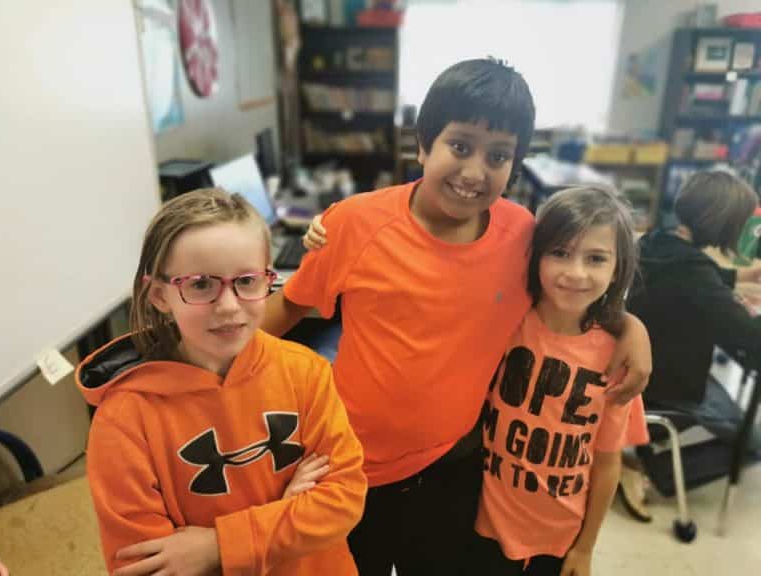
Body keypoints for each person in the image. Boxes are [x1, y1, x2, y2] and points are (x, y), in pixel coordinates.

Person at [262, 58, 651, 576]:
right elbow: (287, 307)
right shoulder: (354, 223)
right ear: (423, 145)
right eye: (460, 146)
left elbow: (570, 290)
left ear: (515, 165)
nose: (474, 172)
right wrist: (214, 370)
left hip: (454, 469)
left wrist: (630, 326)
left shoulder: (522, 236)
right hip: (350, 468)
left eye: (498, 156)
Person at [75, 188, 366, 575]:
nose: (229, 306)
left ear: (268, 280)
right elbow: (144, 566)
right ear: (159, 295)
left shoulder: (305, 372)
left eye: (246, 281)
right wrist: (287, 513)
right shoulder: (124, 421)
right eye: (200, 285)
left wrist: (217, 547)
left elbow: (342, 500)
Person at [470, 186, 640, 576]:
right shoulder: (506, 321)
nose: (576, 273)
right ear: (536, 256)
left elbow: (607, 463)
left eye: (596, 258)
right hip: (483, 525)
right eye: (560, 252)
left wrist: (585, 548)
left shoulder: (618, 357)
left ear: (618, 268)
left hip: (560, 538)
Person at [622, 171, 761, 515]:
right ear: (724, 224)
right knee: (755, 441)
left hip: (641, 370)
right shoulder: (697, 278)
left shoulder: (655, 241)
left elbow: (693, 274)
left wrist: (741, 278)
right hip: (671, 387)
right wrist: (741, 305)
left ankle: (643, 455)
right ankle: (653, 472)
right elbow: (752, 340)